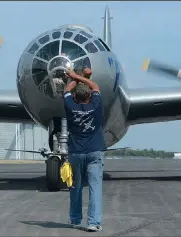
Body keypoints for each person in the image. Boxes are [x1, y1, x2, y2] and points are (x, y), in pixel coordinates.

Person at [63, 67, 105, 232]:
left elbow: (66, 89)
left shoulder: (69, 105)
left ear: (75, 97)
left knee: (76, 187)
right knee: (95, 188)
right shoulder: (96, 104)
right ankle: (93, 223)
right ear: (89, 96)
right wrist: (83, 77)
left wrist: (75, 77)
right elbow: (95, 86)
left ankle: (75, 219)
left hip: (75, 153)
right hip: (95, 152)